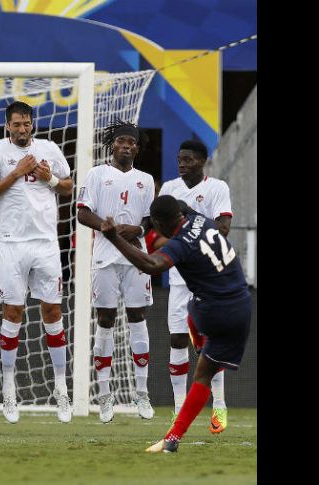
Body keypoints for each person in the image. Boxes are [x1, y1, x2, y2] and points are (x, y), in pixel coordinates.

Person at [99, 195, 251, 453]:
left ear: (159, 223)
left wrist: (114, 238)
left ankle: (172, 438)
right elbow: (180, 206)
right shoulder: (202, 220)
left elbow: (152, 264)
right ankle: (202, 349)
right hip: (239, 303)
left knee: (202, 375)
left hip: (220, 313)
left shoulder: (180, 244)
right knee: (192, 309)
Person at [0, 101, 74, 424]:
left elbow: (68, 187)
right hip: (11, 244)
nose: (22, 129)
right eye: (17, 124)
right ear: (8, 125)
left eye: (27, 123)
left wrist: (50, 179)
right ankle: (9, 389)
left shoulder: (49, 149)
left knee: (53, 312)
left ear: (32, 124)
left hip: (45, 243)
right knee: (13, 312)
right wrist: (16, 173)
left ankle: (61, 388)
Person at [76, 120, 156, 423]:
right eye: (121, 141)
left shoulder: (146, 180)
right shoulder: (97, 174)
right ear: (113, 145)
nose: (126, 146)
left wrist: (139, 229)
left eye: (131, 142)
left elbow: (149, 219)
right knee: (106, 320)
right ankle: (104, 394)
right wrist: (107, 228)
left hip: (136, 258)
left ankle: (141, 393)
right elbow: (83, 213)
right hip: (105, 258)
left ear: (137, 148)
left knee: (138, 317)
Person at [155, 140, 233, 432]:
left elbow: (223, 229)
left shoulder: (217, 188)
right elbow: (159, 228)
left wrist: (190, 219)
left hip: (207, 278)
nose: (182, 164)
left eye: (188, 159)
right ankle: (178, 408)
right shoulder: (169, 189)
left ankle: (219, 405)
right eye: (180, 159)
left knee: (209, 343)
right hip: (178, 279)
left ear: (202, 161)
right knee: (177, 339)